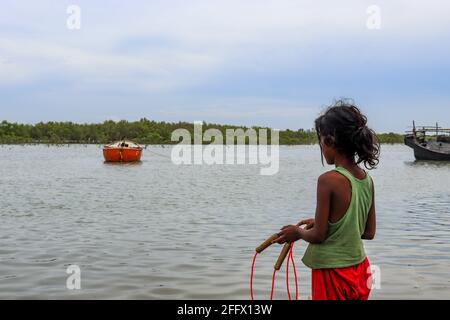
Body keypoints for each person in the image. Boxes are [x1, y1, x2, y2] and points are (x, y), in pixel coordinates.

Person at [273, 100, 379, 300]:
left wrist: (297, 232)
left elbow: (318, 236)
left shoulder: (328, 180)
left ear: (330, 141)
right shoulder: (367, 180)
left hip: (333, 272)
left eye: (320, 140)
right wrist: (332, 224)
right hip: (360, 270)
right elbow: (368, 232)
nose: (321, 146)